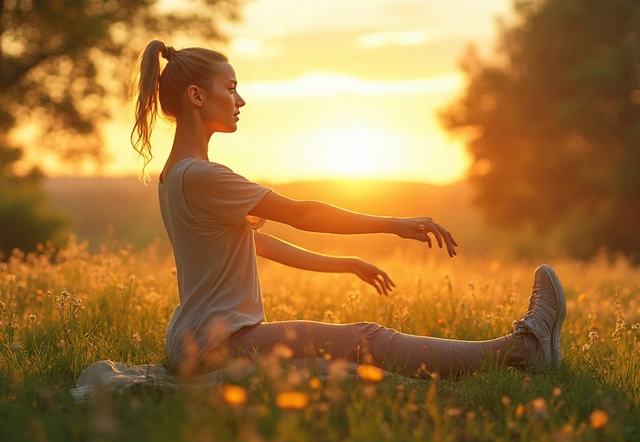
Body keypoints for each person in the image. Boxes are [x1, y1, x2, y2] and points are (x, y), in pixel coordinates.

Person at [130, 40, 566, 378]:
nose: (240, 100)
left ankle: (520, 348)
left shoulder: (175, 176)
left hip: (195, 339)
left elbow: (254, 244)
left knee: (359, 338)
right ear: (195, 96)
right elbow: (302, 213)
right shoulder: (202, 176)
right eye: (230, 88)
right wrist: (393, 224)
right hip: (218, 344)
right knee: (364, 338)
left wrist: (345, 264)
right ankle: (523, 348)